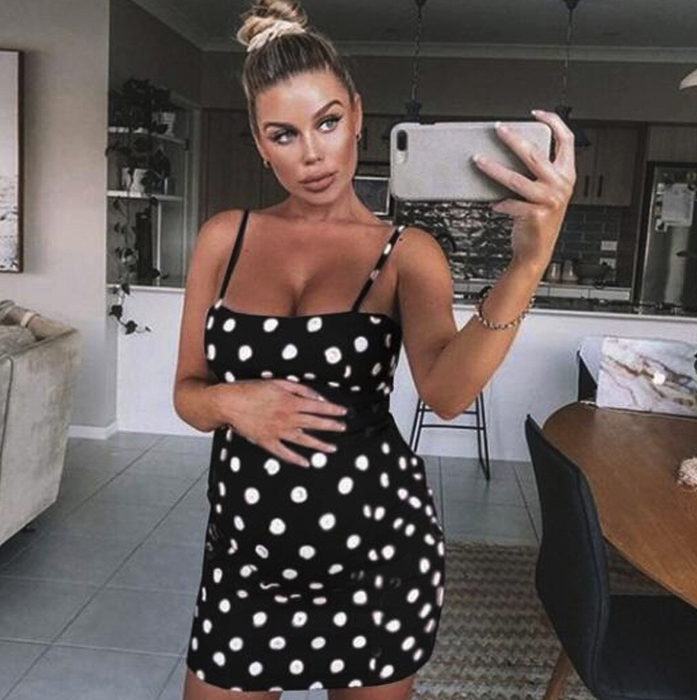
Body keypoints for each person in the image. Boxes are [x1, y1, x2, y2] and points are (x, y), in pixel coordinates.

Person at [172, 1, 575, 698]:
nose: (312, 153)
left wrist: (528, 265)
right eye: (283, 134)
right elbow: (187, 394)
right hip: (245, 561)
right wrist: (231, 402)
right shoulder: (222, 238)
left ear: (357, 115)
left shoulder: (407, 254)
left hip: (378, 555)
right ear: (260, 143)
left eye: (327, 122)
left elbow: (447, 396)